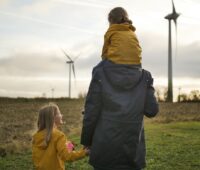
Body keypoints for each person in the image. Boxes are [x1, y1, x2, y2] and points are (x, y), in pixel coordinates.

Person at [80, 7, 159, 170]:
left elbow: (91, 111)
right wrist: (148, 85)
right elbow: (152, 110)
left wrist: (87, 141)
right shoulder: (145, 76)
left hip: (104, 152)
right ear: (134, 44)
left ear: (111, 40)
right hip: (133, 154)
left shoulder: (100, 72)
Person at [32, 103, 88, 170]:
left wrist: (69, 145)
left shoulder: (36, 136)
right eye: (59, 113)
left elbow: (52, 149)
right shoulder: (58, 135)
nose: (62, 115)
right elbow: (68, 156)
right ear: (53, 117)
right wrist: (84, 152)